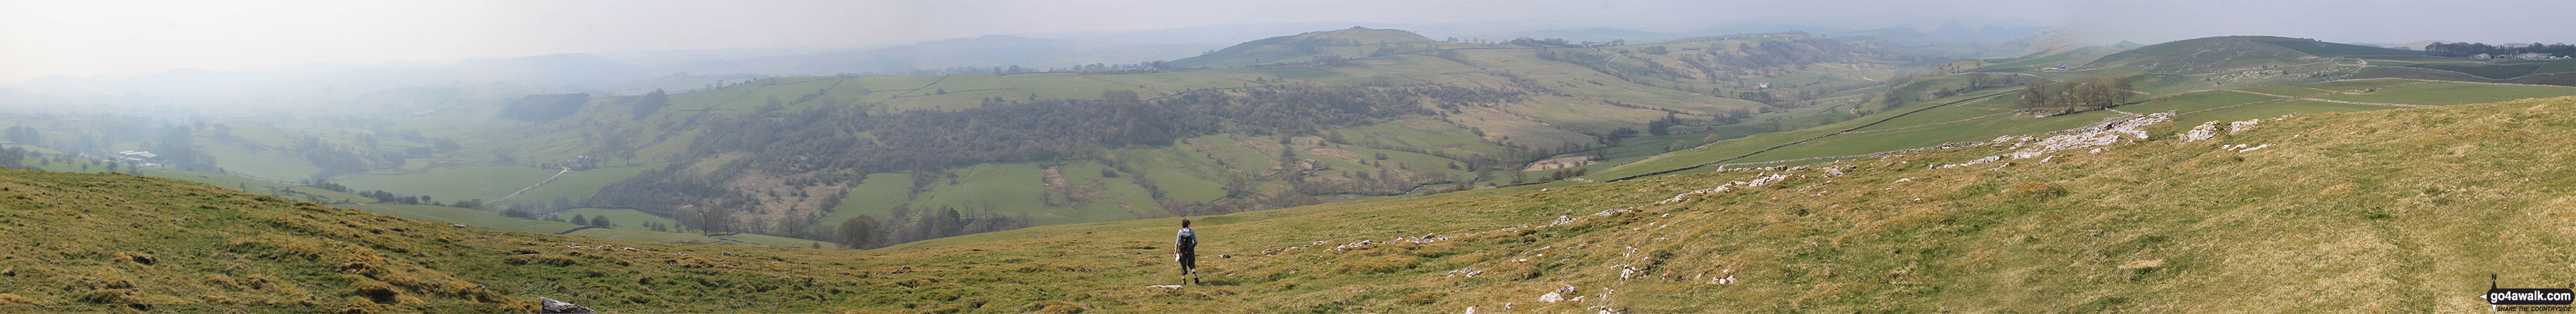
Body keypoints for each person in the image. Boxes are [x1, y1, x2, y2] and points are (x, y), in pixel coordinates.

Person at [1175, 218, 1200, 285]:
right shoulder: (1192, 232)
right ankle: (1194, 274)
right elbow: (1196, 242)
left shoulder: (1180, 232)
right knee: (1191, 263)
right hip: (1190, 250)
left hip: (1182, 251)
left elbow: (1177, 243)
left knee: (1183, 265)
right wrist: (1192, 247)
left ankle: (1184, 281)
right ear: (1188, 225)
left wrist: (1175, 252)